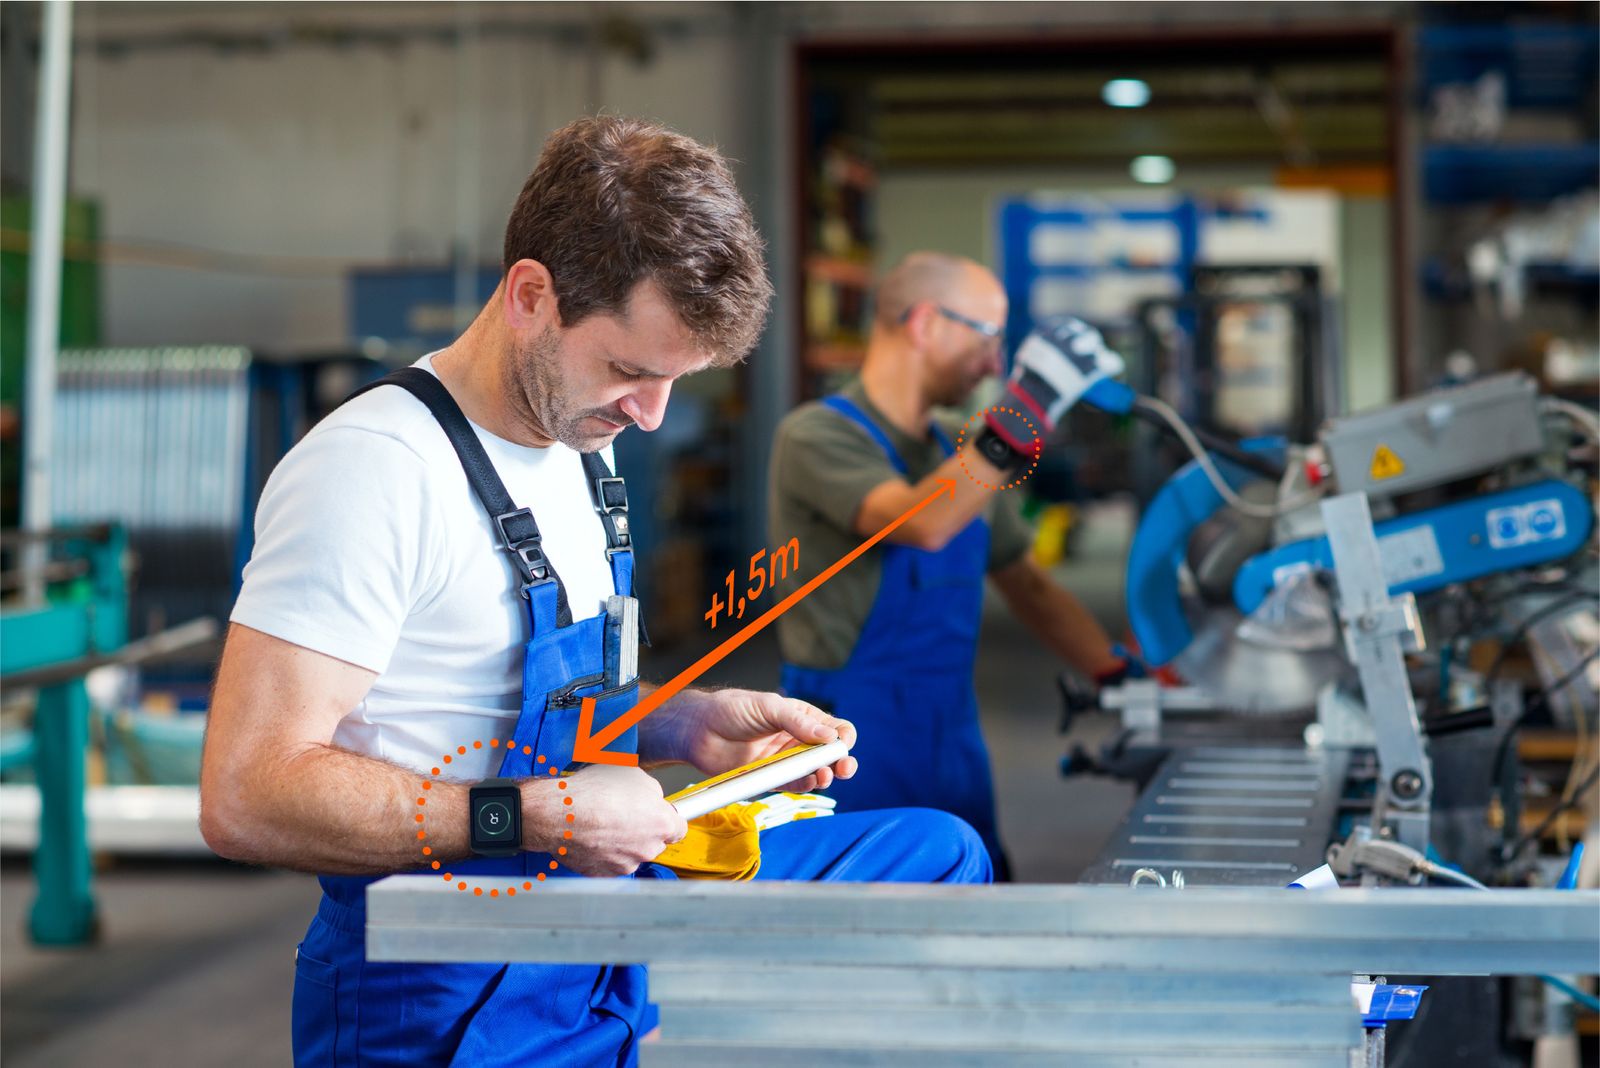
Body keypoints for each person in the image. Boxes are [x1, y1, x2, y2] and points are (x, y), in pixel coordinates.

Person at [200, 119, 990, 1068]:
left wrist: (681, 725)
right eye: (630, 371)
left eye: (674, 383)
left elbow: (526, 705)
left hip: (589, 917)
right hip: (445, 975)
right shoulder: (374, 470)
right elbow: (246, 796)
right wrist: (537, 817)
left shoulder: (581, 442)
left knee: (940, 853)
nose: (649, 416)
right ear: (531, 294)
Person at [769, 252, 1136, 877]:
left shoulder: (955, 455)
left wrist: (1119, 676)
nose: (996, 363)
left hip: (952, 738)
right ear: (926, 323)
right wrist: (1028, 407)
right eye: (989, 335)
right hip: (851, 752)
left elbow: (1027, 583)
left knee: (978, 900)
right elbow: (922, 522)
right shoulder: (817, 437)